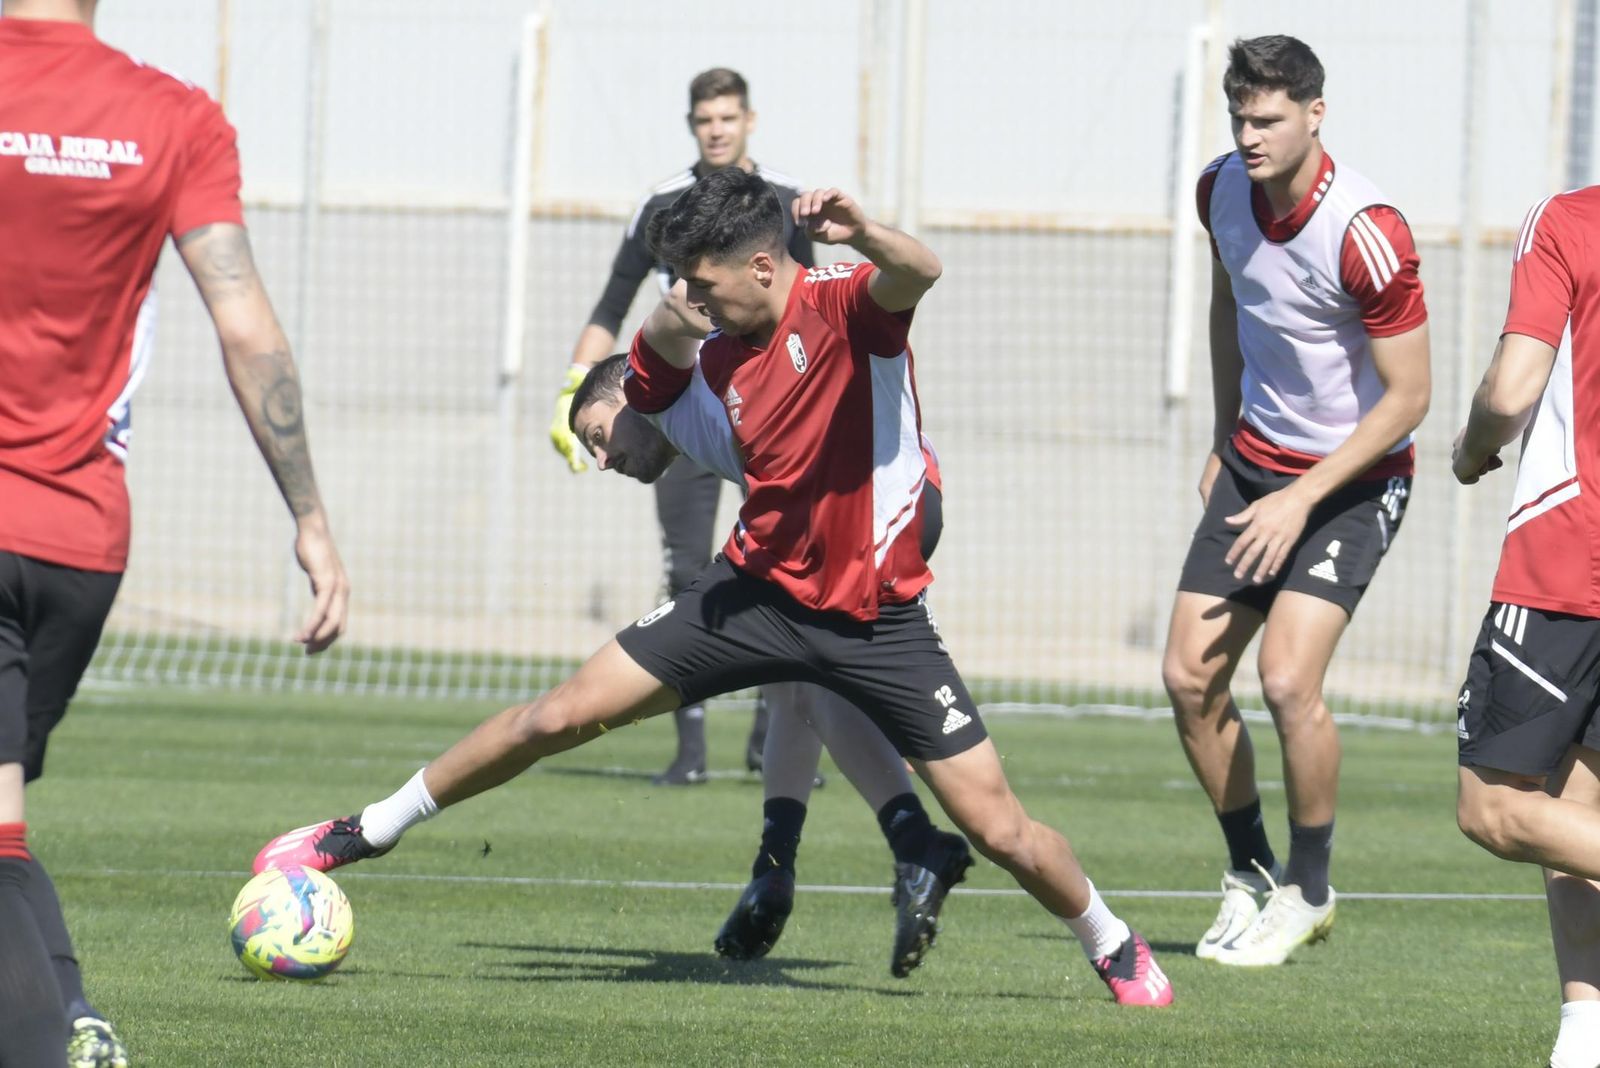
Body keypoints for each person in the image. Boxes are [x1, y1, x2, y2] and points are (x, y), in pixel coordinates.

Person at [255, 169, 1172, 1006]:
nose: (689, 298)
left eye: (703, 282)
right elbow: (650, 352)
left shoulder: (846, 306)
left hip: (880, 621)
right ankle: (362, 830)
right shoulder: (696, 350)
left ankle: (1112, 941)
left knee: (1001, 829)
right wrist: (665, 319)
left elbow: (920, 271)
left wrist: (865, 230)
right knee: (555, 717)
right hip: (752, 596)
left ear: (766, 267)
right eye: (683, 283)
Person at [0, 2, 351, 1065]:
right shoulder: (174, 117)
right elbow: (245, 323)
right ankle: (71, 1022)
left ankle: (44, 1038)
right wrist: (311, 519)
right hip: (78, 541)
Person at [568, 349, 971, 976]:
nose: (601, 459)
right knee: (796, 687)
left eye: (600, 436)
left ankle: (918, 847)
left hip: (878, 517)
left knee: (823, 692)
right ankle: (779, 871)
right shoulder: (698, 405)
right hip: (848, 520)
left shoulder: (714, 363)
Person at [1160, 34, 1431, 967]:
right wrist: (1224, 432)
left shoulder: (1368, 230)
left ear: (1316, 114)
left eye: (1268, 118)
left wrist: (1300, 495)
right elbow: (1230, 304)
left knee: (1284, 678)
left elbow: (1410, 395)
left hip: (1354, 482)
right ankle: (1252, 876)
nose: (1250, 135)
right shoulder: (1218, 189)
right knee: (1189, 678)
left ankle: (1312, 891)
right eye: (1239, 117)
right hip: (1255, 468)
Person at [548, 67, 814, 785]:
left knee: (781, 570)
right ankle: (690, 751)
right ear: (692, 125)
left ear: (749, 120)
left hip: (763, 418)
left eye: (729, 117)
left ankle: (770, 739)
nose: (717, 129)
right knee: (688, 570)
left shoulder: (787, 200)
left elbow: (808, 310)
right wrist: (577, 390)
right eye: (705, 120)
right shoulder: (661, 203)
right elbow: (611, 306)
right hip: (675, 415)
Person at [1452, 182, 1600, 1068]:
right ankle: (1584, 1036)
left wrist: (1472, 450)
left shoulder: (1571, 218)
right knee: (1575, 805)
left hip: (1570, 561)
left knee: (1497, 807)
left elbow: (1511, 390)